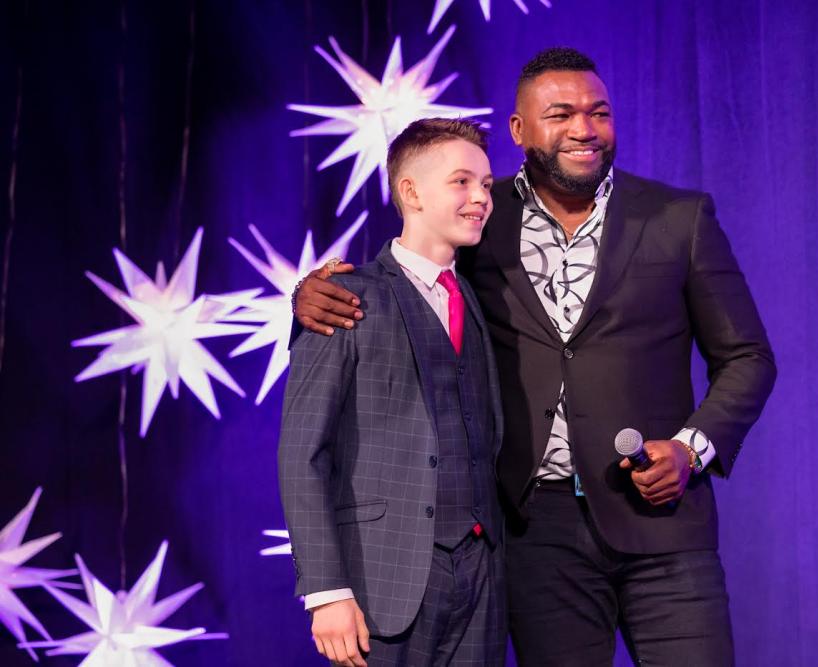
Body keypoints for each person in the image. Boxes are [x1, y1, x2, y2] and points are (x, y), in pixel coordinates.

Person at [294, 48, 777, 666]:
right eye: (561, 114)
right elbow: (396, 283)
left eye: (598, 112)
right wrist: (309, 295)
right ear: (519, 131)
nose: (584, 128)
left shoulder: (676, 218)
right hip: (533, 533)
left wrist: (691, 448)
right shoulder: (478, 215)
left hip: (665, 527)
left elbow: (749, 356)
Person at [278, 118, 505, 667]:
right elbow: (302, 452)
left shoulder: (476, 297)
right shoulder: (346, 297)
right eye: (462, 182)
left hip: (481, 576)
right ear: (411, 192)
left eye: (487, 186)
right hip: (384, 578)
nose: (480, 198)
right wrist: (327, 590)